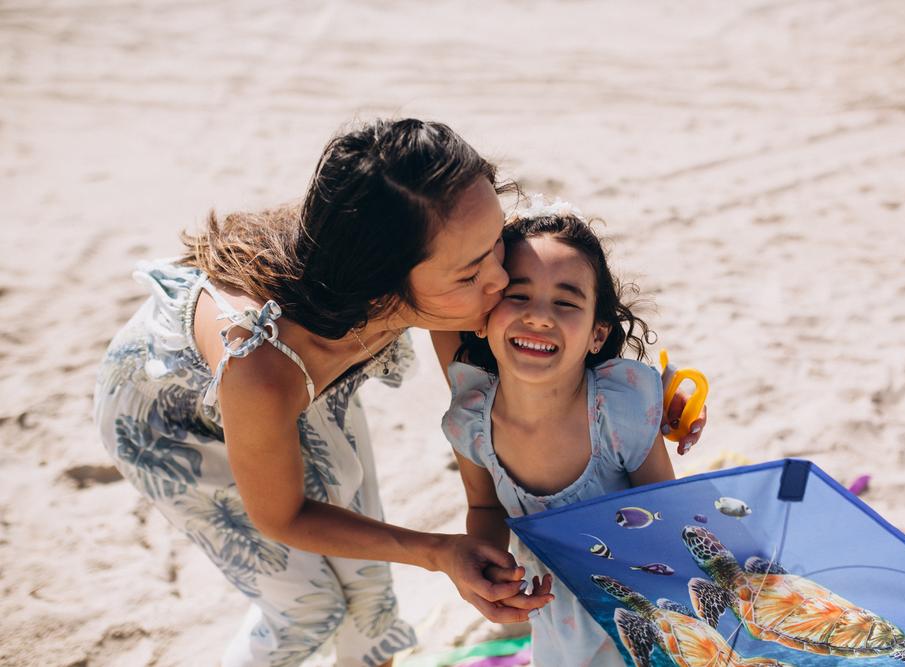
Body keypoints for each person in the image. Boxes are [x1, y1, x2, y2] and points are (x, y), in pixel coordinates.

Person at [93, 119, 551, 667]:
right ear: (381, 283)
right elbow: (282, 516)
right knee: (307, 611)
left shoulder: (452, 253)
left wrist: (483, 517)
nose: (502, 279)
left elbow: (471, 402)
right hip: (172, 423)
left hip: (311, 390)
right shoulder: (260, 363)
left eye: (497, 242)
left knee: (369, 592)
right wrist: (439, 551)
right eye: (472, 272)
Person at [441, 198, 692, 666]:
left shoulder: (619, 409)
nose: (539, 315)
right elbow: (483, 505)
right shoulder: (472, 420)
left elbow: (665, 514)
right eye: (518, 295)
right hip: (554, 610)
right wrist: (493, 564)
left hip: (641, 603)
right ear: (485, 316)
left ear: (597, 334)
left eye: (565, 301)